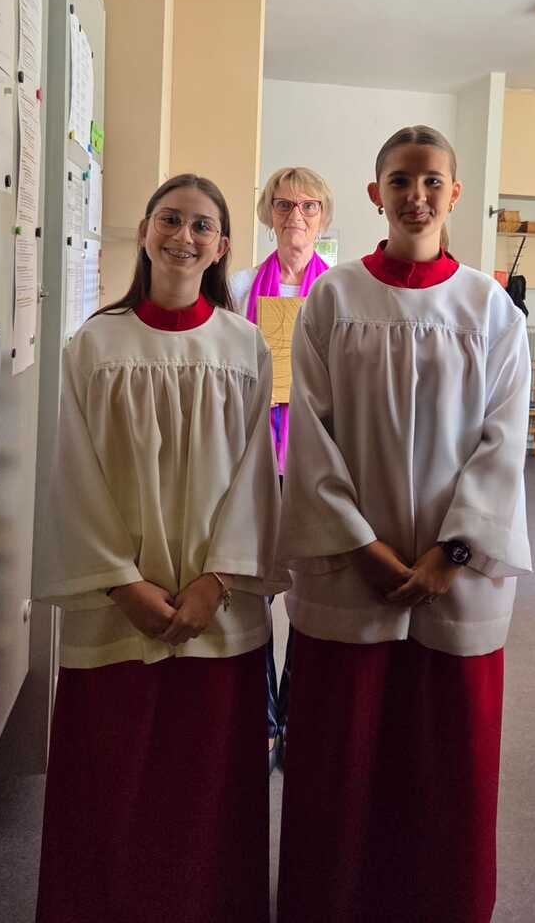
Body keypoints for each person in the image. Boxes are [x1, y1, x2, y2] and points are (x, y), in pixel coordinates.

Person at [276, 127, 532, 923]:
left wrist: (451, 554)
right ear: (375, 193)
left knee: (445, 767)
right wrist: (363, 546)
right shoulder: (335, 298)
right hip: (353, 572)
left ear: (454, 194)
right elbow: (310, 433)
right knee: (341, 764)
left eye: (430, 181)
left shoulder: (489, 308)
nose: (415, 195)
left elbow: (504, 441)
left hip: (455, 577)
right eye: (399, 180)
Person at [34, 174, 283, 923]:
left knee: (206, 791)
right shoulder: (96, 343)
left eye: (202, 226)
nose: (184, 236)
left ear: (222, 246)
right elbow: (72, 471)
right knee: (114, 783)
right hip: (117, 609)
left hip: (218, 609)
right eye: (170, 220)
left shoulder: (244, 346)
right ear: (144, 232)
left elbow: (257, 475)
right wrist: (121, 583)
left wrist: (218, 581)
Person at [229, 166, 333, 768]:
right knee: (255, 588)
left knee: (313, 591)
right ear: (268, 212)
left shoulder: (337, 289)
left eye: (309, 206)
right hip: (255, 454)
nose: (296, 216)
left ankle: (296, 710)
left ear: (324, 216)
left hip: (315, 457)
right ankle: (265, 717)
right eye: (285, 204)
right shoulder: (241, 285)